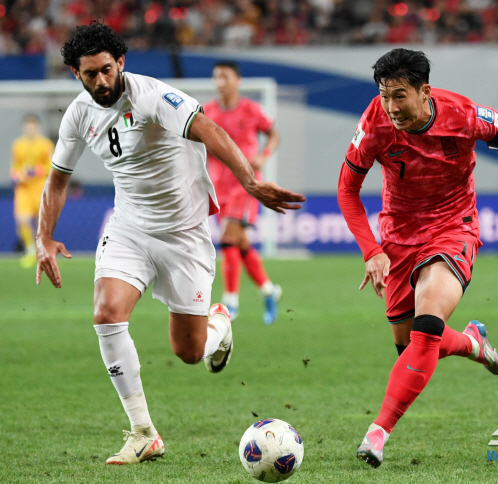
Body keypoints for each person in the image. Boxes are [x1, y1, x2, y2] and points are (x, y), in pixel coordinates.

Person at [35, 22, 304, 465]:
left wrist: (251, 182)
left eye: (106, 70)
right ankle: (143, 433)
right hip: (129, 228)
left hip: (184, 234)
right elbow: (58, 179)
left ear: (120, 63)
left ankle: (219, 324)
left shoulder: (151, 95)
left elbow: (209, 129)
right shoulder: (78, 114)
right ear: (75, 74)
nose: (100, 81)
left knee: (189, 352)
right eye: (90, 74)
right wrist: (44, 237)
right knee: (106, 313)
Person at [337, 48, 498, 468]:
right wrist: (372, 250)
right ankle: (472, 343)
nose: (391, 107)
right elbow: (347, 192)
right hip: (399, 237)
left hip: (452, 227)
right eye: (385, 95)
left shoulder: (462, 115)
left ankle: (378, 433)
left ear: (424, 91)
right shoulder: (374, 122)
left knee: (427, 327)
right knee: (411, 347)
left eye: (400, 96)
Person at [204, 60, 282, 324]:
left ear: (237, 80)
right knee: (239, 243)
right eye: (216, 77)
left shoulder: (251, 109)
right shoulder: (207, 112)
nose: (220, 82)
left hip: (246, 184)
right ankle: (269, 291)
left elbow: (274, 135)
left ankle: (230, 302)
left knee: (228, 238)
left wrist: (263, 156)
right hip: (219, 186)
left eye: (225, 77)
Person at [10, 115, 54, 268]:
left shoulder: (45, 145)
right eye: (28, 127)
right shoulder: (18, 145)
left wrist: (34, 172)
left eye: (33, 127)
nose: (30, 130)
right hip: (23, 189)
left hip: (40, 187)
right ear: (24, 128)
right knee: (22, 220)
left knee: (40, 222)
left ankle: (42, 251)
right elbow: (15, 166)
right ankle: (30, 250)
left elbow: (50, 166)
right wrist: (15, 175)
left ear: (37, 128)